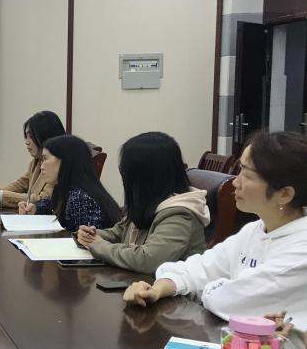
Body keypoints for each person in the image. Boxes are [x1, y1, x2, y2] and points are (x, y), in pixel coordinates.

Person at [124, 131, 307, 329]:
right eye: (239, 170)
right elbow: (200, 267)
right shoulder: (255, 230)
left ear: (284, 194)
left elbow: (230, 302)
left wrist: (207, 287)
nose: (235, 182)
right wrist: (157, 289)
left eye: (247, 175)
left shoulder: (301, 249)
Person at [77, 132, 210, 273]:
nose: (124, 178)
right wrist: (91, 235)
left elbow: (146, 260)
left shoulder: (181, 214)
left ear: (144, 176)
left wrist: (98, 245)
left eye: (125, 171)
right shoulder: (149, 200)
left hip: (166, 287)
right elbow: (119, 233)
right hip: (139, 281)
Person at [19, 134, 120, 231]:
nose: (41, 166)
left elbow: (85, 240)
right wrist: (35, 208)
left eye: (45, 159)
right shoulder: (67, 189)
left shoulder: (80, 198)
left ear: (64, 161)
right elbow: (51, 205)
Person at [0, 110, 65, 208]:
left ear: (46, 136)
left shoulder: (58, 164)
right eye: (26, 136)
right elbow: (21, 184)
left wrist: (0, 195)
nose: (27, 142)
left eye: (31, 136)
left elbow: (44, 200)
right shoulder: (37, 160)